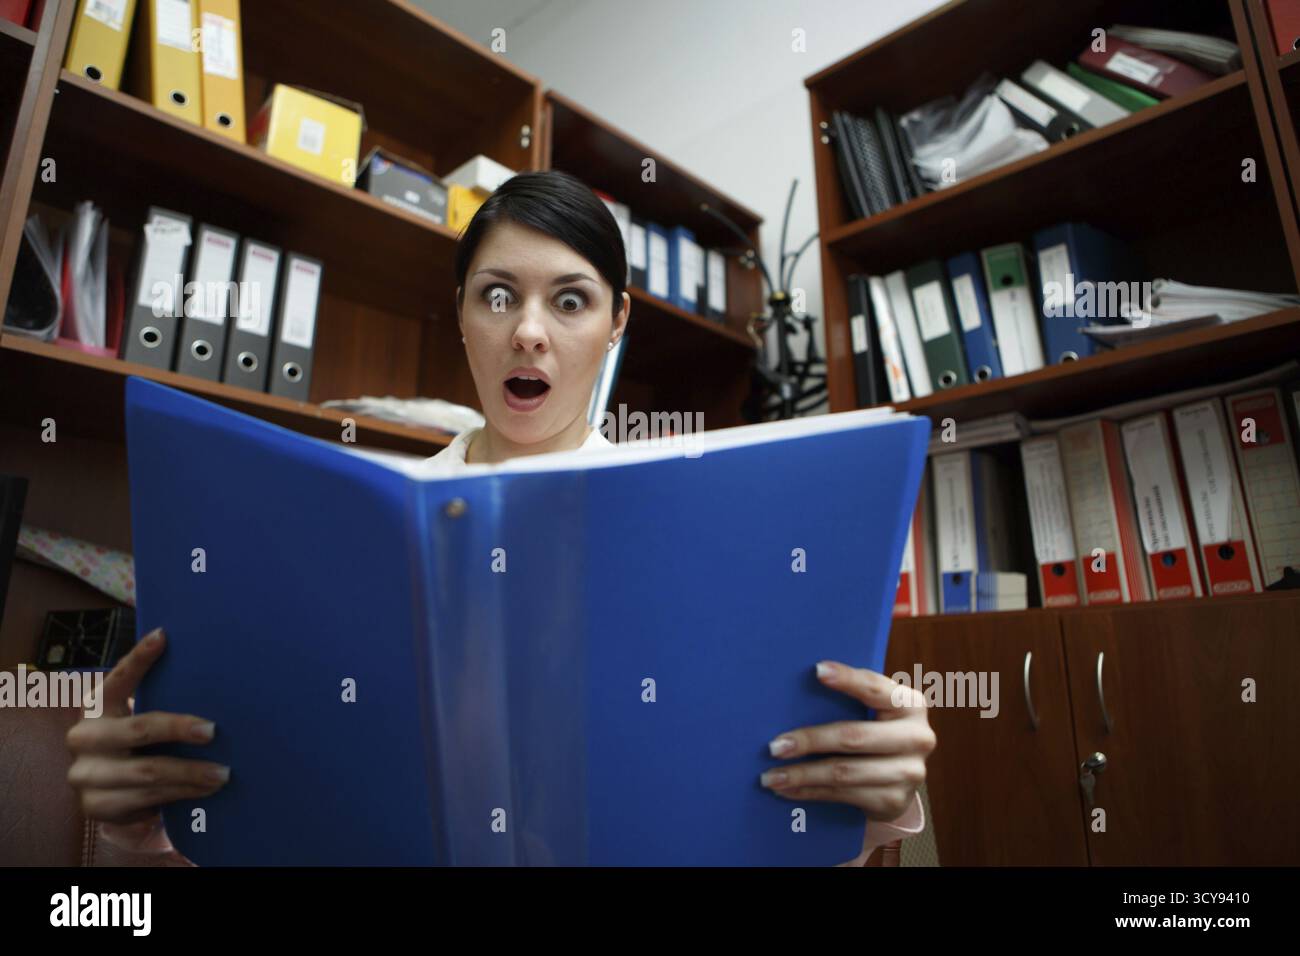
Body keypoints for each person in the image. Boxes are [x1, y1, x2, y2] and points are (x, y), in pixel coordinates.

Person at [66, 170, 934, 865]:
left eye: (569, 299)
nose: (528, 332)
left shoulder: (715, 524)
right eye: (496, 296)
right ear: (461, 315)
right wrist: (144, 832)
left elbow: (772, 825)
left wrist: (874, 810)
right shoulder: (353, 518)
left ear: (615, 322)